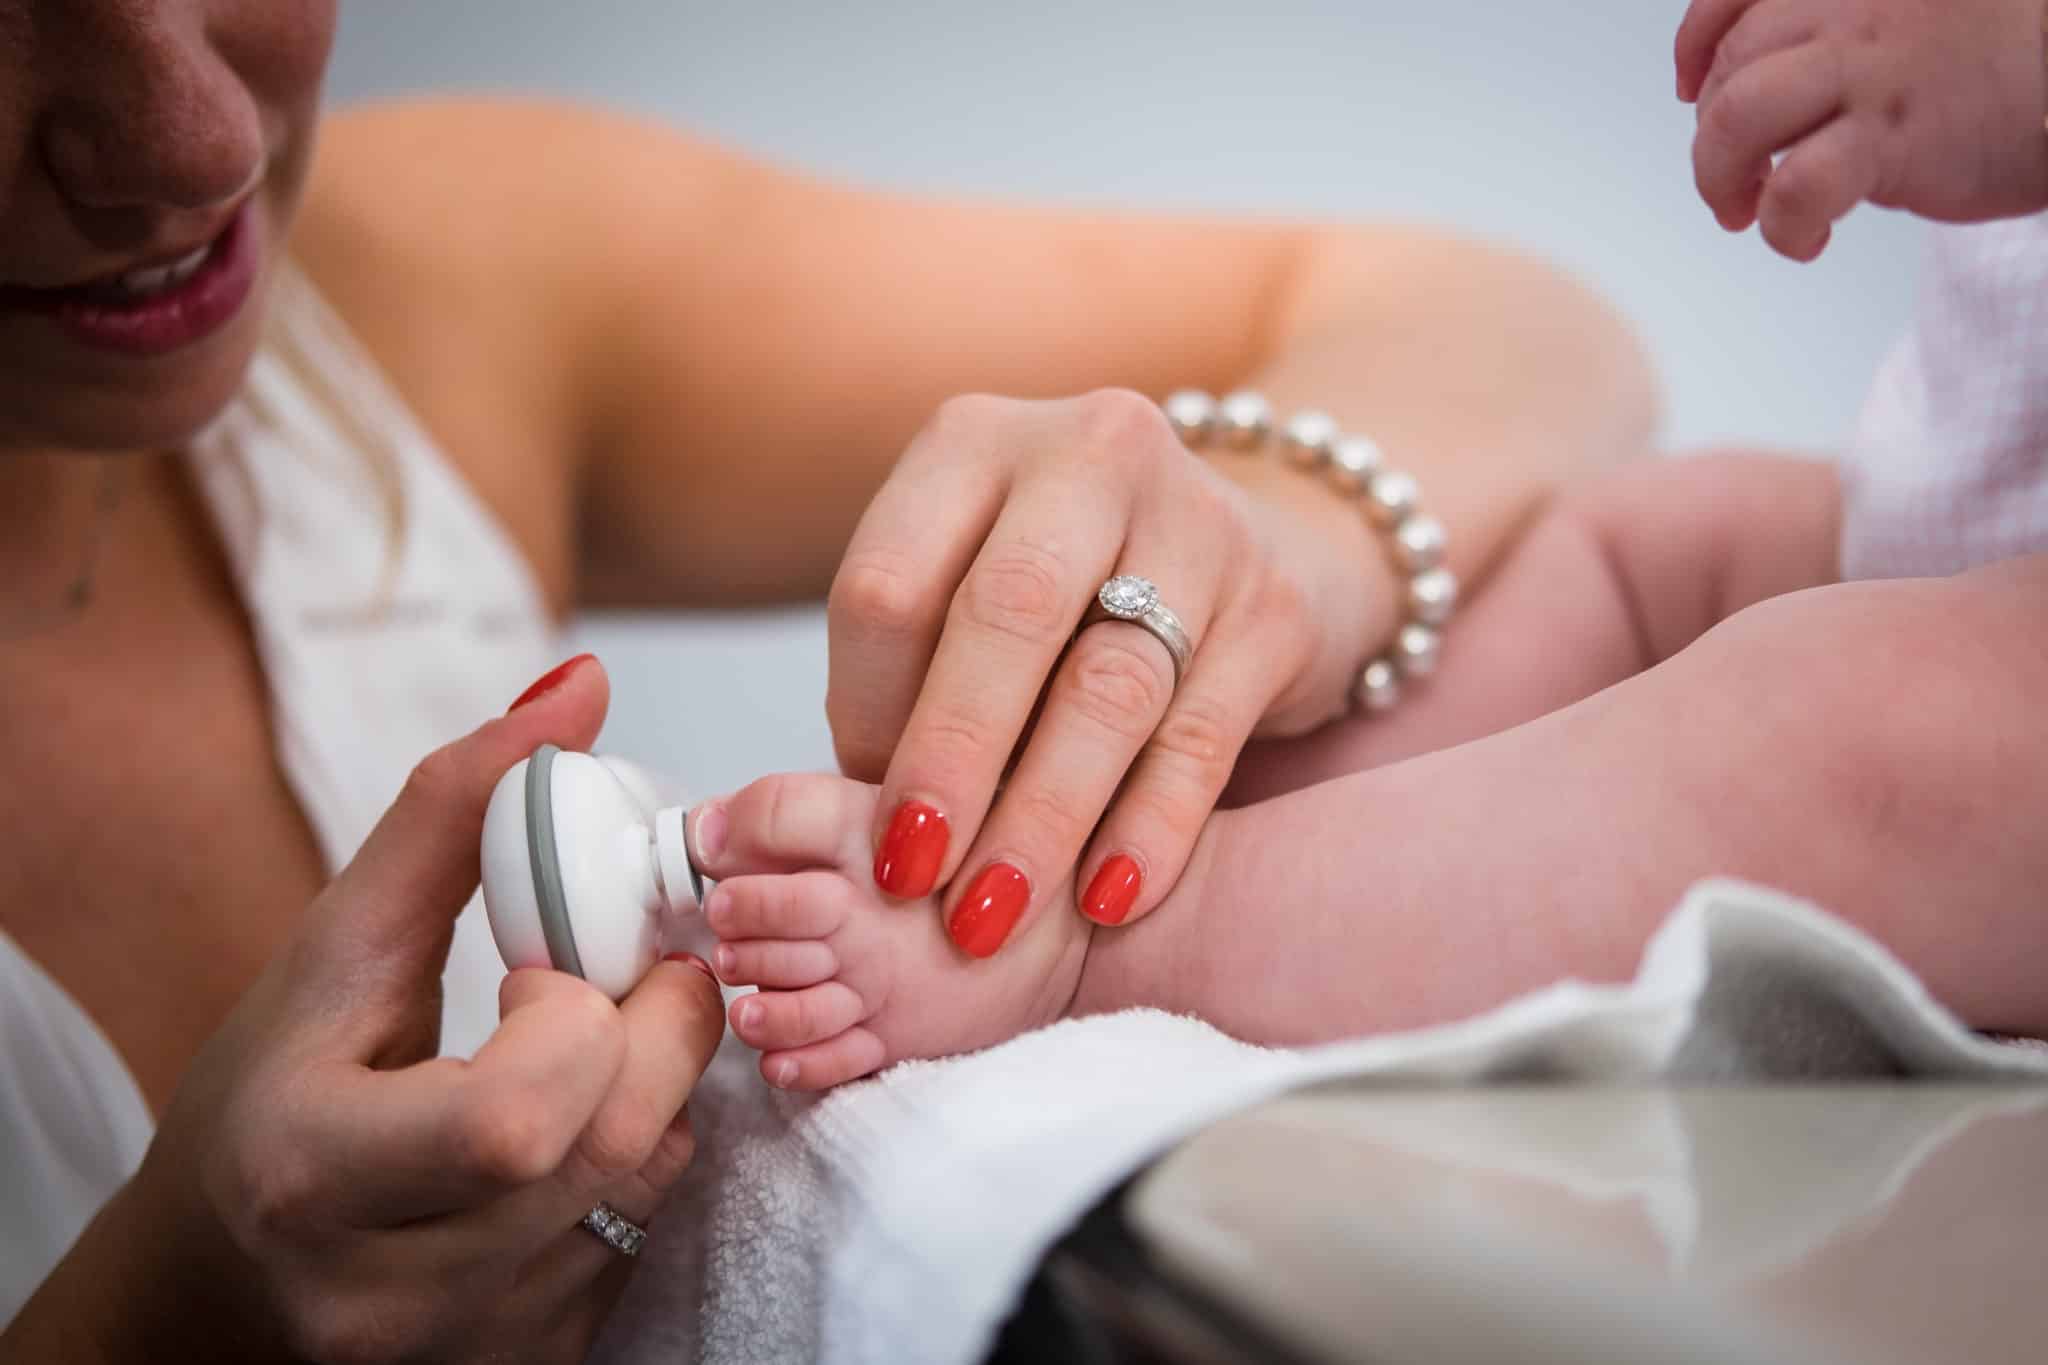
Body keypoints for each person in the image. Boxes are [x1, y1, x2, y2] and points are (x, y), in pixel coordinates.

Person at [0, 2, 1658, 1358]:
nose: (190, 145)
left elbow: (1510, 318)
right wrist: (153, 1332)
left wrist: (1273, 541)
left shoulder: (430, 279)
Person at [679, 0, 2048, 1089]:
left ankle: (1131, 930)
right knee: (1635, 542)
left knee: (1850, 716)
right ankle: (1157, 812)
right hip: (1946, 509)